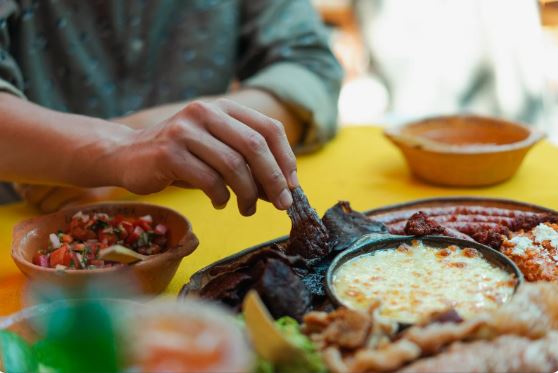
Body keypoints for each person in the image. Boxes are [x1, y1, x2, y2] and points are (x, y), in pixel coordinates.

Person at [0, 0, 343, 214]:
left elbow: (310, 67)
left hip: (197, 216)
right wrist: (119, 149)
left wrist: (129, 145)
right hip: (23, 220)